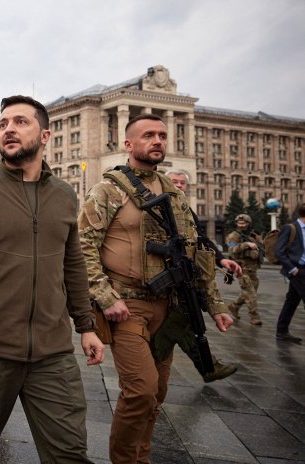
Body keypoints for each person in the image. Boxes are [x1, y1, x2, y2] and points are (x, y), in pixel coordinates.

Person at [0, 95, 104, 463]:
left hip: (53, 351)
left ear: (45, 136)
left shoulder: (64, 195)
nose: (8, 129)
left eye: (20, 122)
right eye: (3, 124)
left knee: (69, 451)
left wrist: (86, 325)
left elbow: (73, 263)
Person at [78, 113, 233, 463]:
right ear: (128, 144)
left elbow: (194, 251)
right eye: (148, 135)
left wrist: (215, 305)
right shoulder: (108, 190)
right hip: (126, 306)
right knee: (141, 390)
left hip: (169, 307)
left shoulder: (174, 194)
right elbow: (81, 246)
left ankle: (141, 457)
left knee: (158, 393)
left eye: (162, 135)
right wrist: (105, 297)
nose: (158, 141)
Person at [164, 170, 240, 382]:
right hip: (162, 275)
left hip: (182, 276)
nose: (179, 185)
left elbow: (202, 239)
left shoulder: (186, 210)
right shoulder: (157, 206)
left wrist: (221, 260)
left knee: (185, 321)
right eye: (174, 181)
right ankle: (208, 367)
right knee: (181, 323)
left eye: (182, 183)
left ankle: (208, 367)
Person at [274, 203, 305, 343]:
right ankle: (281, 331)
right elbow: (279, 251)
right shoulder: (290, 228)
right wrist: (293, 269)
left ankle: (282, 330)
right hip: (298, 270)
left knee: (292, 301)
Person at [227, 214, 264, 325]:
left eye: (244, 223)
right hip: (241, 269)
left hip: (253, 269)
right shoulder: (234, 236)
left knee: (248, 293)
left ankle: (233, 307)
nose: (241, 225)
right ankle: (254, 316)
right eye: (239, 223)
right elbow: (231, 250)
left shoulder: (253, 235)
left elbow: (261, 247)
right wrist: (246, 244)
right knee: (250, 294)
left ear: (248, 223)